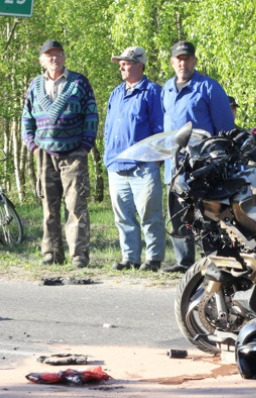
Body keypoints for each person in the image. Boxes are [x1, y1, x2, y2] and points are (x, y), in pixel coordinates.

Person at [22, 39, 98, 268]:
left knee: (76, 206)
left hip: (74, 153)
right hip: (44, 153)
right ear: (42, 60)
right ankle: (52, 254)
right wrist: (32, 145)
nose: (53, 58)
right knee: (49, 207)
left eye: (57, 54)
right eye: (49, 55)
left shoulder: (79, 82)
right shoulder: (35, 85)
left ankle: (79, 256)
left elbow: (92, 115)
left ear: (64, 57)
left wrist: (86, 145)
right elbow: (26, 118)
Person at [161, 40, 235, 273]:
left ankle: (213, 261)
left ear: (194, 61)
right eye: (178, 59)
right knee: (178, 213)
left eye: (187, 58)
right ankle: (184, 262)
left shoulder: (209, 87)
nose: (183, 63)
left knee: (206, 215)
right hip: (174, 165)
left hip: (202, 167)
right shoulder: (166, 89)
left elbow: (225, 129)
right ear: (172, 62)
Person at [103, 46, 165, 272]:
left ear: (139, 64)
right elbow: (108, 127)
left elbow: (160, 129)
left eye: (126, 62)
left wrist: (155, 160)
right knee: (123, 217)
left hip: (143, 166)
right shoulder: (116, 93)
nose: (121, 66)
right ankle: (130, 258)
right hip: (116, 165)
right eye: (120, 62)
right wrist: (108, 157)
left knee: (150, 214)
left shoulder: (153, 92)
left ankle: (154, 259)